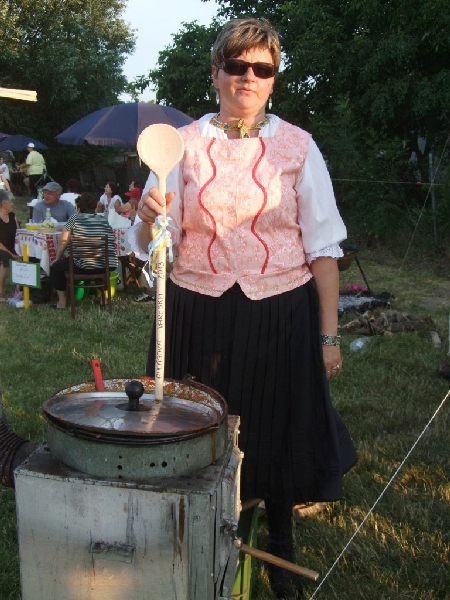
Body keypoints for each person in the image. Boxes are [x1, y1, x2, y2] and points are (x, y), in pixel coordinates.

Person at [129, 18, 357, 599]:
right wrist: (151, 219)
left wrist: (329, 337)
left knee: (274, 429)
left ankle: (280, 545)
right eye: (237, 66)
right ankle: (192, 536)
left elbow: (324, 250)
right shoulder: (179, 143)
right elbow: (154, 241)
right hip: (195, 307)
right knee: (191, 426)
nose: (248, 77)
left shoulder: (299, 146)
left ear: (274, 79)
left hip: (278, 311)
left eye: (262, 68)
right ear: (216, 75)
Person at [49, 192, 118, 309]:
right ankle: (104, 299)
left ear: (79, 209)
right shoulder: (103, 220)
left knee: (56, 268)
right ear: (94, 208)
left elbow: (63, 242)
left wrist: (57, 259)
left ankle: (62, 303)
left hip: (83, 265)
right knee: (97, 261)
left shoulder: (74, 219)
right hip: (106, 265)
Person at [0, 189, 21, 302]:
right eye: (11, 202)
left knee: (29, 255)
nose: (13, 204)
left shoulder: (12, 215)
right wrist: (12, 254)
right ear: (3, 204)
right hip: (2, 248)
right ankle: (0, 292)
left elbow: (19, 233)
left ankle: (24, 288)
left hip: (12, 246)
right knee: (6, 258)